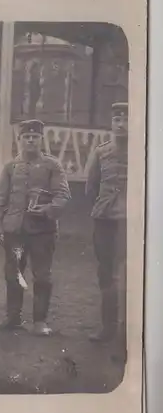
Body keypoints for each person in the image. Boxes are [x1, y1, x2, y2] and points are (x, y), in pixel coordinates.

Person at [0, 119, 71, 336]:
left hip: (42, 232)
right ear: (20, 140)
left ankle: (40, 321)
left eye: (35, 137)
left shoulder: (52, 166)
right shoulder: (10, 167)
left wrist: (46, 210)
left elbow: (63, 196)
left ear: (41, 139)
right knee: (13, 274)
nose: (31, 141)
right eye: (26, 137)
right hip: (15, 231)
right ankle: (13, 317)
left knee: (42, 276)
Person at [85, 102, 128, 343]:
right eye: (117, 120)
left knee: (128, 274)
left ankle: (127, 329)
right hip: (105, 219)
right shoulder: (101, 152)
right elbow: (91, 187)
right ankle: (108, 326)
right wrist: (101, 207)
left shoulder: (146, 149)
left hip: (131, 221)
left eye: (126, 120)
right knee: (106, 272)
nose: (121, 125)